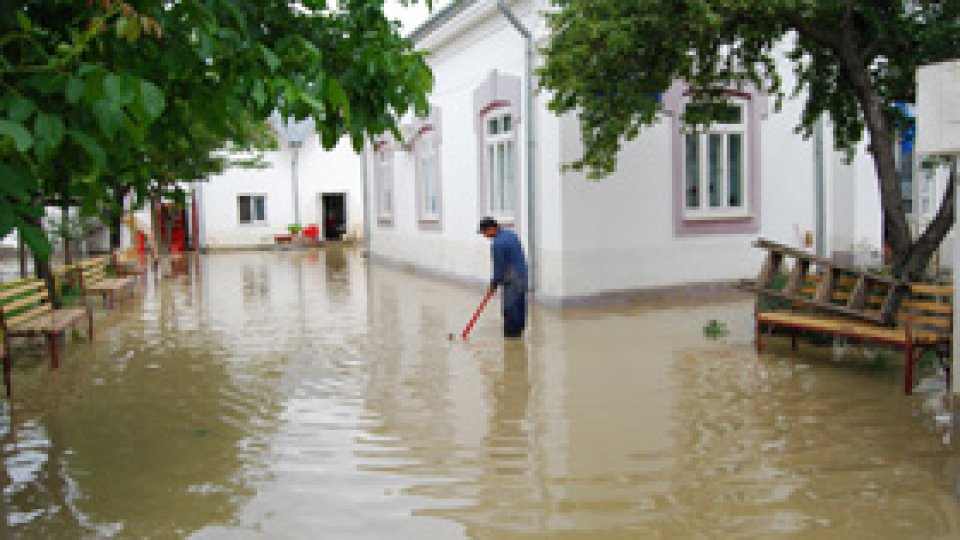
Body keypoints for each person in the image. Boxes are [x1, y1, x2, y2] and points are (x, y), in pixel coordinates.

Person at [478, 217, 528, 338]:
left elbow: (498, 267)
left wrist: (493, 284)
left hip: (511, 279)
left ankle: (511, 337)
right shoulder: (511, 235)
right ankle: (519, 334)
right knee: (520, 305)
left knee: (509, 308)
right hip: (522, 275)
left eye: (484, 233)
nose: (485, 236)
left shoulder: (498, 244)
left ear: (491, 229)